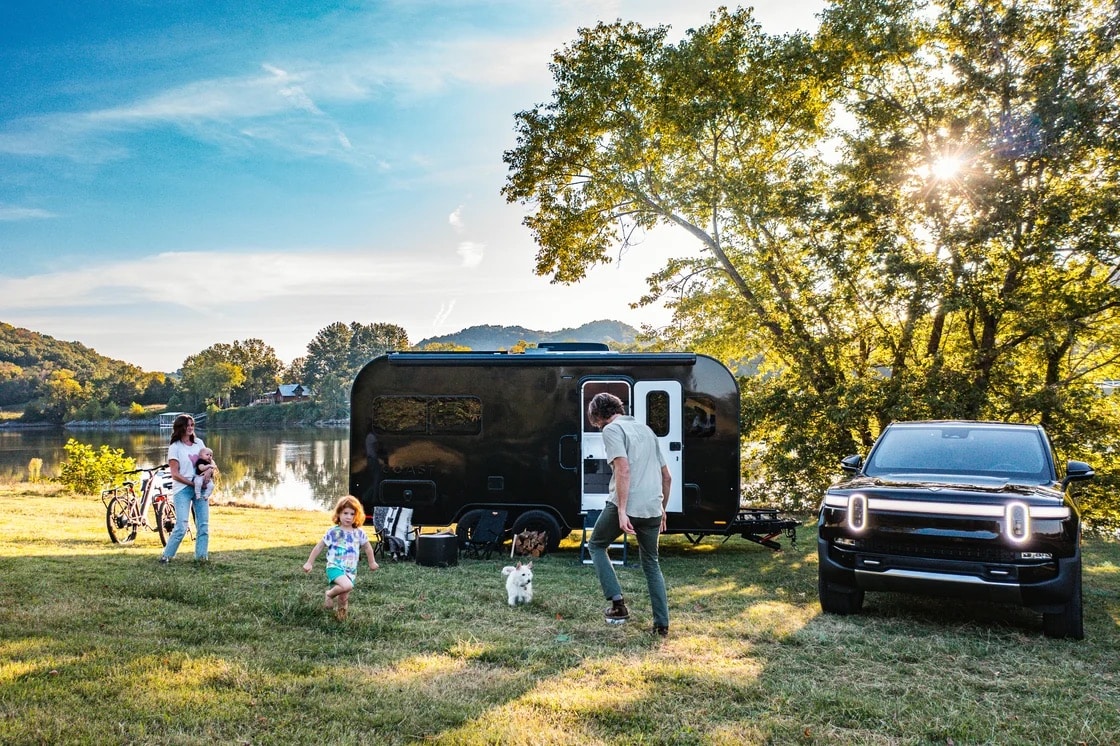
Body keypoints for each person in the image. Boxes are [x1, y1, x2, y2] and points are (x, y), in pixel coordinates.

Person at [586, 392, 673, 637]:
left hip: (626, 505)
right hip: (653, 508)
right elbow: (667, 477)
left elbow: (623, 470)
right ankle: (662, 625)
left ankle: (618, 605)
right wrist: (663, 509)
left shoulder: (612, 430)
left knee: (596, 545)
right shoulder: (647, 431)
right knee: (651, 563)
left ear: (598, 415)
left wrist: (622, 511)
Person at [303, 495, 380, 620]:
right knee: (347, 586)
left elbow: (367, 547)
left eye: (352, 514)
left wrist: (372, 562)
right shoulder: (333, 532)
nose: (348, 517)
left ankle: (341, 618)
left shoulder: (359, 532)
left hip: (350, 570)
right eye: (345, 513)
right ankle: (329, 594)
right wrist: (309, 563)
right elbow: (319, 547)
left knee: (344, 596)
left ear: (357, 515)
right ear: (339, 513)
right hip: (334, 566)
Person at [159, 414, 211, 563]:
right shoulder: (175, 447)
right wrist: (193, 484)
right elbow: (175, 474)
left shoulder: (199, 443)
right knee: (181, 525)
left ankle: (201, 558)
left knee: (203, 525)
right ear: (180, 427)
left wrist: (208, 472)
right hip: (182, 489)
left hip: (201, 487)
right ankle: (166, 556)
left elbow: (210, 462)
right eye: (187, 425)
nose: (190, 428)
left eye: (192, 425)